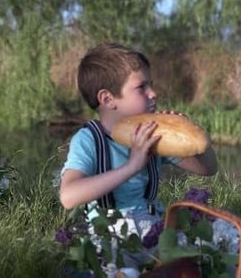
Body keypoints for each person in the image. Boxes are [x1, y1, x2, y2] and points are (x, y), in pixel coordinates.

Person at [58, 42, 218, 268]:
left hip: (154, 229)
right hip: (111, 237)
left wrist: (192, 135)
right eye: (141, 87)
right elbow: (68, 196)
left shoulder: (153, 134)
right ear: (107, 99)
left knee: (210, 251)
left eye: (151, 84)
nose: (154, 93)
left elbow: (208, 169)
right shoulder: (89, 140)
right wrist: (131, 166)